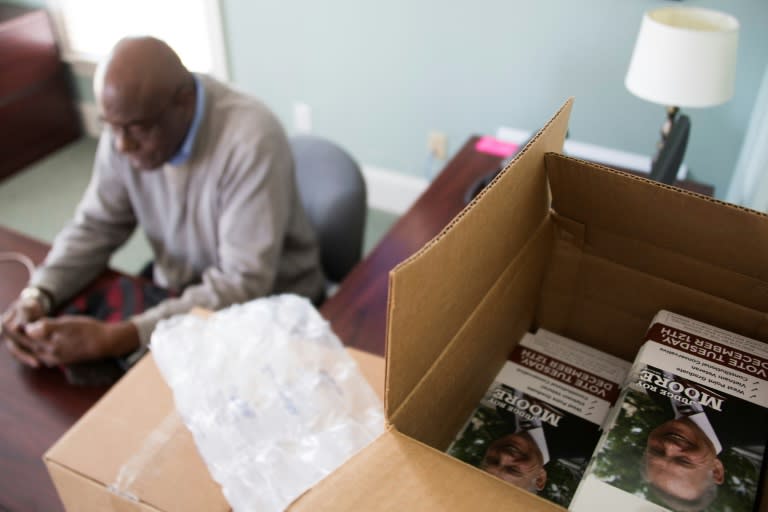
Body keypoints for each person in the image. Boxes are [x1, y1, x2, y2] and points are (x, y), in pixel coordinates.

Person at [1, 36, 325, 369]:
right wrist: (40, 292)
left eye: (137, 129)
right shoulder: (124, 126)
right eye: (111, 128)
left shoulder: (251, 139)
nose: (123, 146)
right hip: (177, 293)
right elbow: (97, 226)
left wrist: (120, 337)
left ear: (184, 102)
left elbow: (242, 284)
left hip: (272, 309)